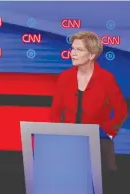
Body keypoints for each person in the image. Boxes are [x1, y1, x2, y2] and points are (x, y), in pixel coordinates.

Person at [49, 31, 128, 193]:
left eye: (79, 50)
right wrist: (58, 134)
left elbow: (121, 110)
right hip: (70, 142)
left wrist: (108, 133)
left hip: (99, 143)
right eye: (72, 49)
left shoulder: (106, 79)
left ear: (92, 55)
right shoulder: (65, 77)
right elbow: (55, 111)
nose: (72, 53)